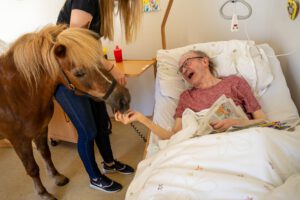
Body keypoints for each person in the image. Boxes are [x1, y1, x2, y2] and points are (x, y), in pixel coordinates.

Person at [55, 0, 141, 193]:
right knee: (88, 131)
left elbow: (91, 45)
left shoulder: (104, 7)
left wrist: (105, 69)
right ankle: (94, 177)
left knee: (102, 124)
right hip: (67, 76)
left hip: (85, 70)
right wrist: (110, 67)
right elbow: (75, 45)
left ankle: (109, 163)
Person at [115, 50, 268, 139]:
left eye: (187, 63)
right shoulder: (186, 97)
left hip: (244, 139)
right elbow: (173, 136)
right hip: (204, 149)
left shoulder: (235, 83)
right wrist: (141, 119)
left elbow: (263, 120)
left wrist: (237, 123)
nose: (184, 70)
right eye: (181, 69)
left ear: (205, 62)